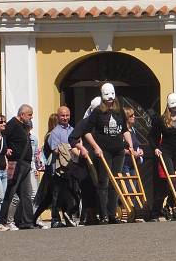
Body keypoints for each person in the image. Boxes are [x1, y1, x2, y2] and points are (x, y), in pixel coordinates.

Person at [83, 83, 133, 224]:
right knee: (103, 181)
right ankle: (103, 214)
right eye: (107, 96)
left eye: (112, 96)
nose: (110, 99)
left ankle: (112, 214)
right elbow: (87, 132)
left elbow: (124, 130)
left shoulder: (119, 111)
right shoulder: (98, 112)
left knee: (115, 181)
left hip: (118, 151)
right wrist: (96, 147)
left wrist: (130, 145)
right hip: (104, 150)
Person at [33, 107, 75, 228]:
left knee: (55, 196)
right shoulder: (54, 133)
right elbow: (55, 150)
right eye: (62, 116)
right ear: (58, 116)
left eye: (67, 115)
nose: (65, 118)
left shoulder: (72, 130)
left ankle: (34, 218)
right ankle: (55, 220)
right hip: (55, 169)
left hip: (68, 167)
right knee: (56, 194)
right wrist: (69, 148)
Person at [0, 104, 36, 230]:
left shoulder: (23, 125)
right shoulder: (12, 124)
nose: (31, 117)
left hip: (25, 164)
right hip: (15, 163)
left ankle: (27, 222)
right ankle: (3, 220)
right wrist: (6, 149)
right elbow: (2, 136)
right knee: (10, 192)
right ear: (22, 114)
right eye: (29, 114)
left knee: (26, 194)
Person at [152, 93, 176, 218]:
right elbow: (153, 136)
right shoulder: (161, 119)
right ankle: (169, 206)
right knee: (171, 177)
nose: (175, 108)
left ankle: (169, 204)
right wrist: (156, 148)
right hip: (166, 150)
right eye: (172, 106)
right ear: (168, 105)